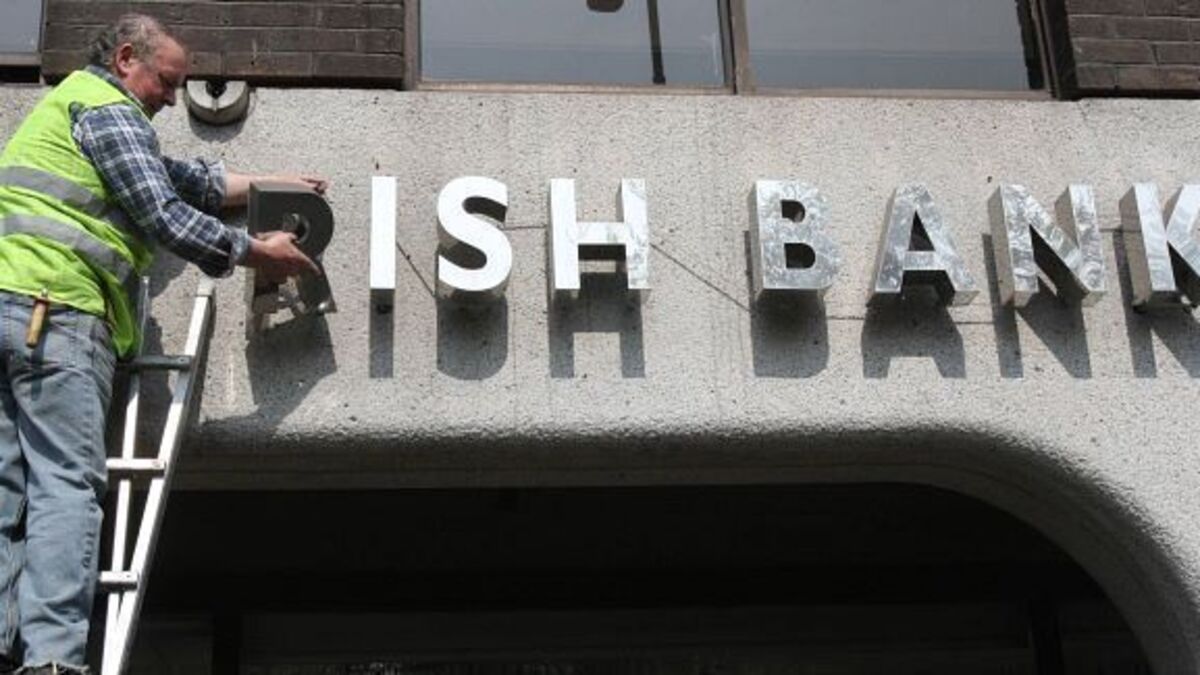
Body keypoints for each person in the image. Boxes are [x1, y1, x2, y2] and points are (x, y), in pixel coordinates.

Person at [0, 14, 324, 674]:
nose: (173, 99)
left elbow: (184, 180)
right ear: (126, 59)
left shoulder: (68, 111)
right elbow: (164, 214)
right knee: (66, 483)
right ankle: (52, 660)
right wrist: (254, 250)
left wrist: (270, 185)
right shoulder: (110, 111)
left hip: (14, 307)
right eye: (167, 82)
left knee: (7, 487)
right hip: (57, 311)